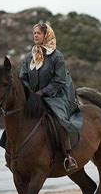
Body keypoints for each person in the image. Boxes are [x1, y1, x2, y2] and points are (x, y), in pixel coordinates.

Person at [19, 22, 79, 171]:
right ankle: (13, 155)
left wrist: (42, 92)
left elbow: (59, 81)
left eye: (38, 33)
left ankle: (68, 156)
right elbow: (23, 78)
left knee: (59, 119)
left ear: (46, 35)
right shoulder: (29, 57)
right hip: (35, 97)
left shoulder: (57, 56)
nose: (35, 36)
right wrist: (30, 94)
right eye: (34, 33)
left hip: (57, 96)